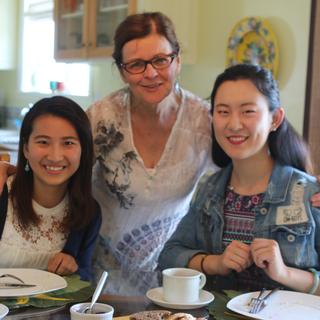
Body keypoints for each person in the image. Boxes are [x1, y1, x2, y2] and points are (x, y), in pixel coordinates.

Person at [158, 64, 320, 295]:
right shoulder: (210, 189)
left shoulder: (309, 194)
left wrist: (285, 273)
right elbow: (169, 257)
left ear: (275, 119)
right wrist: (216, 263)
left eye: (248, 112)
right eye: (223, 112)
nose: (234, 124)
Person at [0, 96, 101, 281]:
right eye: (43, 142)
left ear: (83, 150)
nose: (55, 156)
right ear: (25, 149)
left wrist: (74, 269)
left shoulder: (88, 212)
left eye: (68, 143)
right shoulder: (2, 194)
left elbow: (84, 282)